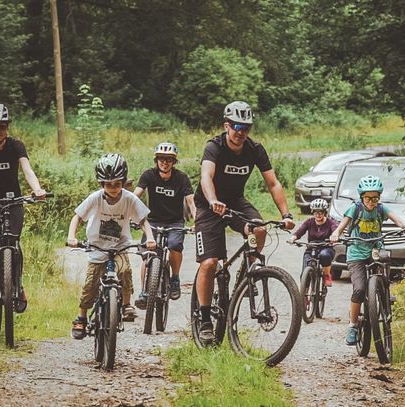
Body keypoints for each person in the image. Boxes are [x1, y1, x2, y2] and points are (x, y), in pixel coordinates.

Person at [194, 100, 295, 343]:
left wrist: (286, 214)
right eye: (237, 126)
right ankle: (205, 317)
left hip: (236, 201)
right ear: (226, 125)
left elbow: (273, 183)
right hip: (210, 205)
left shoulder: (255, 149)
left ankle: (248, 273)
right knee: (209, 263)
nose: (241, 132)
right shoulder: (214, 146)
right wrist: (212, 199)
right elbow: (206, 176)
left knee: (259, 228)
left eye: (246, 127)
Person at [67, 153, 156, 340]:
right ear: (101, 184)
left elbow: (142, 221)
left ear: (123, 182)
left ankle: (125, 305)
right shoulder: (95, 198)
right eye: (108, 184)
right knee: (90, 284)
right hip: (97, 247)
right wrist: (71, 236)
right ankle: (81, 318)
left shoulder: (129, 199)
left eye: (117, 184)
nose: (113, 189)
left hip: (119, 246)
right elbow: (78, 217)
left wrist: (150, 238)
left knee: (124, 271)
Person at [0, 104, 47, 312]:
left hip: (13, 201)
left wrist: (37, 189)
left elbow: (27, 170)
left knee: (13, 238)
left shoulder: (16, 146)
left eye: (2, 126)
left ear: (7, 128)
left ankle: (17, 285)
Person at [329, 175, 405, 346]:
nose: (371, 201)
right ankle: (352, 325)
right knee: (359, 289)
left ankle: (384, 292)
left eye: (375, 198)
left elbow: (396, 218)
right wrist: (336, 234)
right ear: (362, 197)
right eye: (368, 198)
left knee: (385, 257)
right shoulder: (355, 209)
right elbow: (342, 225)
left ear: (379, 197)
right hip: (357, 253)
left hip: (375, 249)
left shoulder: (381, 209)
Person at [133, 142, 196, 307]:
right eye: (161, 158)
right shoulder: (148, 175)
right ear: (156, 160)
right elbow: (134, 197)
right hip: (152, 221)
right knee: (147, 253)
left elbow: (191, 202)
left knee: (175, 245)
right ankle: (144, 291)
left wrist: (198, 221)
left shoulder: (181, 178)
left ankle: (175, 278)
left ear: (174, 161)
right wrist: (129, 214)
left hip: (175, 221)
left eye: (168, 159)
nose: (164, 162)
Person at [288, 198, 338, 287]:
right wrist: (293, 237)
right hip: (311, 249)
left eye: (321, 212)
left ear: (325, 212)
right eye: (316, 212)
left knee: (324, 255)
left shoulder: (330, 222)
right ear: (312, 212)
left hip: (326, 248)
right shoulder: (309, 222)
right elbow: (300, 231)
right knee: (304, 274)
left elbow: (335, 230)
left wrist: (334, 237)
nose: (318, 215)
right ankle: (304, 295)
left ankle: (327, 275)